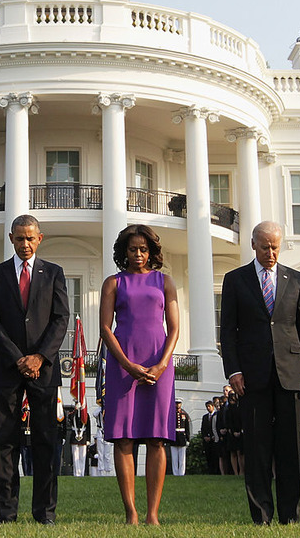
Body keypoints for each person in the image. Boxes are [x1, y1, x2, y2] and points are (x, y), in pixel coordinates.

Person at [220, 221, 300, 526]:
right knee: (257, 448)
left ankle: (290, 515)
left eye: (275, 246)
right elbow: (228, 331)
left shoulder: (297, 279)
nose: (271, 252)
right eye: (265, 247)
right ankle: (261, 515)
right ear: (253, 245)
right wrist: (233, 370)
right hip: (251, 375)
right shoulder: (235, 280)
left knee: (289, 448)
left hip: (290, 374)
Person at [0, 214, 70, 525]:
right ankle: (5, 512)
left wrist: (39, 357)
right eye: (20, 238)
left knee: (46, 440)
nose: (25, 244)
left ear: (40, 238)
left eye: (30, 238)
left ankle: (44, 512)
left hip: (44, 371)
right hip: (7, 369)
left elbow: (61, 319)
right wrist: (18, 358)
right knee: (4, 439)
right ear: (11, 239)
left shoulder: (54, 274)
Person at [100, 224, 180, 525]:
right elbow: (105, 329)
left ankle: (153, 513)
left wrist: (161, 364)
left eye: (143, 249)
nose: (138, 254)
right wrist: (127, 365)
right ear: (124, 252)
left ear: (152, 252)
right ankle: (131, 512)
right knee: (123, 439)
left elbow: (174, 328)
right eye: (132, 249)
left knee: (157, 438)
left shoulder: (165, 282)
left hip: (159, 363)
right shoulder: (113, 283)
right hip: (123, 364)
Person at [169, 399, 191, 476]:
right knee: (174, 457)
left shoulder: (184, 414)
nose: (178, 405)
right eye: (176, 403)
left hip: (182, 436)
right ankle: (175, 473)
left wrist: (188, 439)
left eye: (179, 403)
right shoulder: (171, 414)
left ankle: (181, 473)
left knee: (182, 458)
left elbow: (187, 428)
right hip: (174, 436)